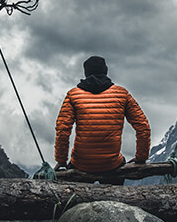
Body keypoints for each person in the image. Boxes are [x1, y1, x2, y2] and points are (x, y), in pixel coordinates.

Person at [54, 56, 150, 185]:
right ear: (106, 71)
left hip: (81, 164)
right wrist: (141, 158)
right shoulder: (122, 94)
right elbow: (143, 126)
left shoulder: (73, 95)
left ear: (86, 73)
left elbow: (62, 129)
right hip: (111, 164)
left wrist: (61, 160)